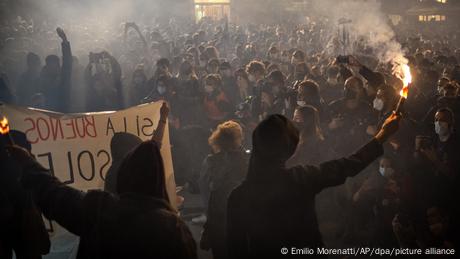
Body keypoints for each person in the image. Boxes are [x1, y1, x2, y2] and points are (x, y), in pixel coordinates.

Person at [5, 104, 197, 259]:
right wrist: (162, 119)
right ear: (157, 179)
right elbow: (151, 155)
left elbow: (56, 194)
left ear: (125, 174)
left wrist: (26, 162)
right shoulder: (175, 229)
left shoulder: (100, 211)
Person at [227, 112, 400, 258]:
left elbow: (236, 249)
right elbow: (347, 166)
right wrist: (382, 136)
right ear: (286, 149)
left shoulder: (238, 197)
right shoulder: (299, 179)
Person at [198, 121, 248, 259]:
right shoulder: (243, 159)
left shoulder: (210, 160)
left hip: (217, 213)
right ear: (236, 139)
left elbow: (204, 186)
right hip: (237, 212)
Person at [38, 27, 72, 112]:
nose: (53, 67)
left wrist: (64, 40)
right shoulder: (41, 80)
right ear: (47, 66)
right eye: (51, 65)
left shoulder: (63, 77)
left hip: (63, 112)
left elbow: (67, 61)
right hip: (46, 115)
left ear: (58, 65)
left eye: (55, 64)